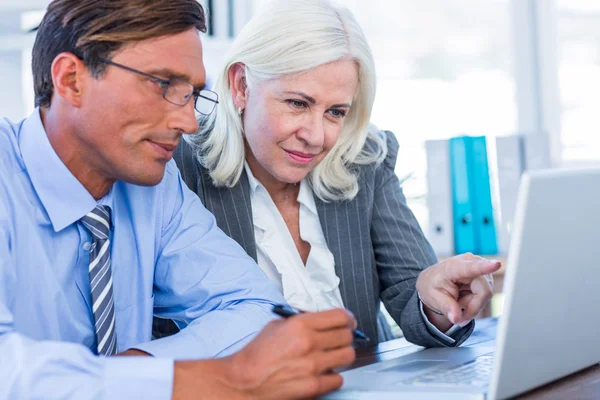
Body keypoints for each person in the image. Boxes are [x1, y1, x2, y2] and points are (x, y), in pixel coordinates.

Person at [0, 1, 358, 399]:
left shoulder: (154, 186)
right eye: (164, 85)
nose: (188, 122)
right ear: (71, 80)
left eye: (192, 95)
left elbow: (254, 307)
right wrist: (207, 380)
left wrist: (128, 375)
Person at [166, 0, 501, 347]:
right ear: (241, 86)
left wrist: (439, 302)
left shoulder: (365, 159)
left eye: (336, 112)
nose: (316, 136)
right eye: (298, 103)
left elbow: (410, 295)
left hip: (365, 380)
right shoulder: (177, 167)